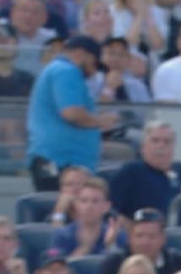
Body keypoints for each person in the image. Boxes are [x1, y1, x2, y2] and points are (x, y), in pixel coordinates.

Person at [26, 36, 119, 190]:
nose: (94, 70)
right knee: (55, 204)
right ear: (82, 53)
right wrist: (101, 122)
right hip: (58, 159)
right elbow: (71, 113)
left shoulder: (60, 70)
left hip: (65, 160)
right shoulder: (65, 71)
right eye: (94, 63)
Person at [109, 122, 181, 227]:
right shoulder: (131, 172)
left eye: (167, 142)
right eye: (155, 141)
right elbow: (111, 210)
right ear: (143, 147)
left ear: (174, 147)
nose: (161, 146)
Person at [49, 176, 121, 258]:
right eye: (84, 201)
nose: (89, 206)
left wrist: (111, 245)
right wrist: (85, 246)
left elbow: (123, 269)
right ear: (77, 204)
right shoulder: (61, 235)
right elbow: (56, 269)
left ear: (106, 206)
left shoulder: (117, 235)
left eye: (95, 201)